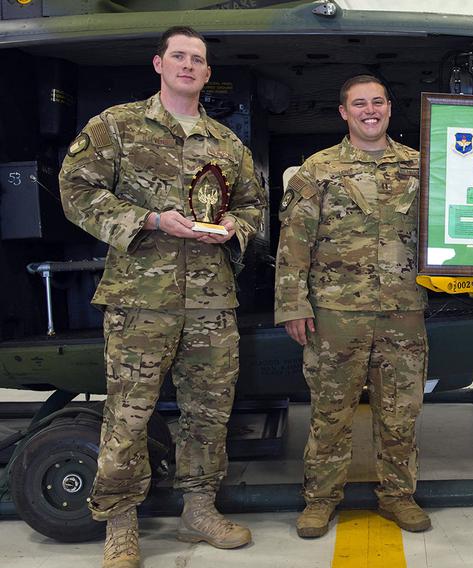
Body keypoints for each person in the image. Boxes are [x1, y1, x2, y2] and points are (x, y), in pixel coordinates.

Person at [58, 26, 266, 568]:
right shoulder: (118, 126)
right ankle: (120, 524)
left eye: (198, 59)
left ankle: (198, 511)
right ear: (158, 63)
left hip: (211, 301)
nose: (189, 66)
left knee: (209, 412)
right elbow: (75, 190)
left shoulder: (226, 142)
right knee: (129, 413)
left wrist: (232, 230)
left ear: (207, 72)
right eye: (180, 56)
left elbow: (252, 206)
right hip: (140, 300)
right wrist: (149, 219)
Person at [275, 74, 430, 538]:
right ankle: (321, 501)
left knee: (401, 412)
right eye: (359, 104)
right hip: (336, 315)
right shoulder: (318, 170)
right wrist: (292, 304)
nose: (370, 110)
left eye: (377, 102)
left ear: (389, 108)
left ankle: (398, 496)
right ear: (344, 112)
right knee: (331, 413)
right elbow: (294, 242)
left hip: (403, 311)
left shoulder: (422, 167)